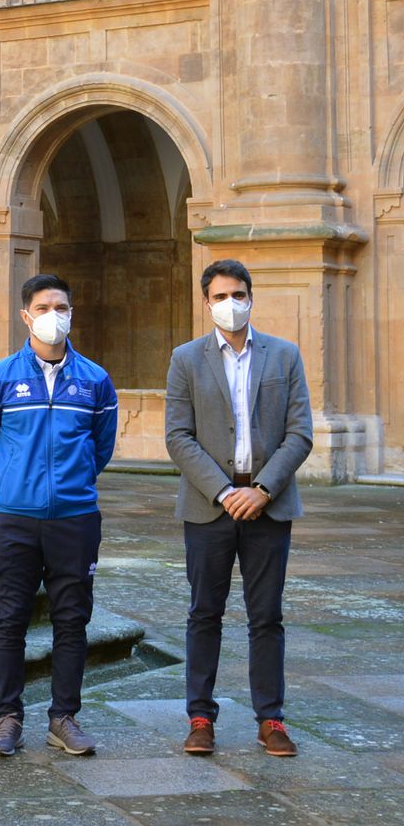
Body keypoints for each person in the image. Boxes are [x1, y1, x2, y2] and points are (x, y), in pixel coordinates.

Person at [164, 259, 312, 759]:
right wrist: (225, 492)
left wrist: (263, 489)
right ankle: (200, 717)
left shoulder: (285, 356)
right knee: (204, 613)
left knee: (266, 616)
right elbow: (178, 436)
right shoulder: (186, 358)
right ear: (207, 304)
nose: (232, 304)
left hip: (269, 505)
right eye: (221, 296)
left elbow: (300, 433)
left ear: (252, 297)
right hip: (209, 506)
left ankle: (271, 719)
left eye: (239, 294)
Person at [0, 273, 116, 758]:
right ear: (26, 315)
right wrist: (15, 485)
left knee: (72, 620)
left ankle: (63, 717)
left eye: (62, 306)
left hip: (75, 518)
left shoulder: (94, 380)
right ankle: (8, 716)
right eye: (44, 306)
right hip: (13, 516)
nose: (54, 315)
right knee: (10, 619)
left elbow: (101, 448)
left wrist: (70, 485)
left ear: (71, 312)